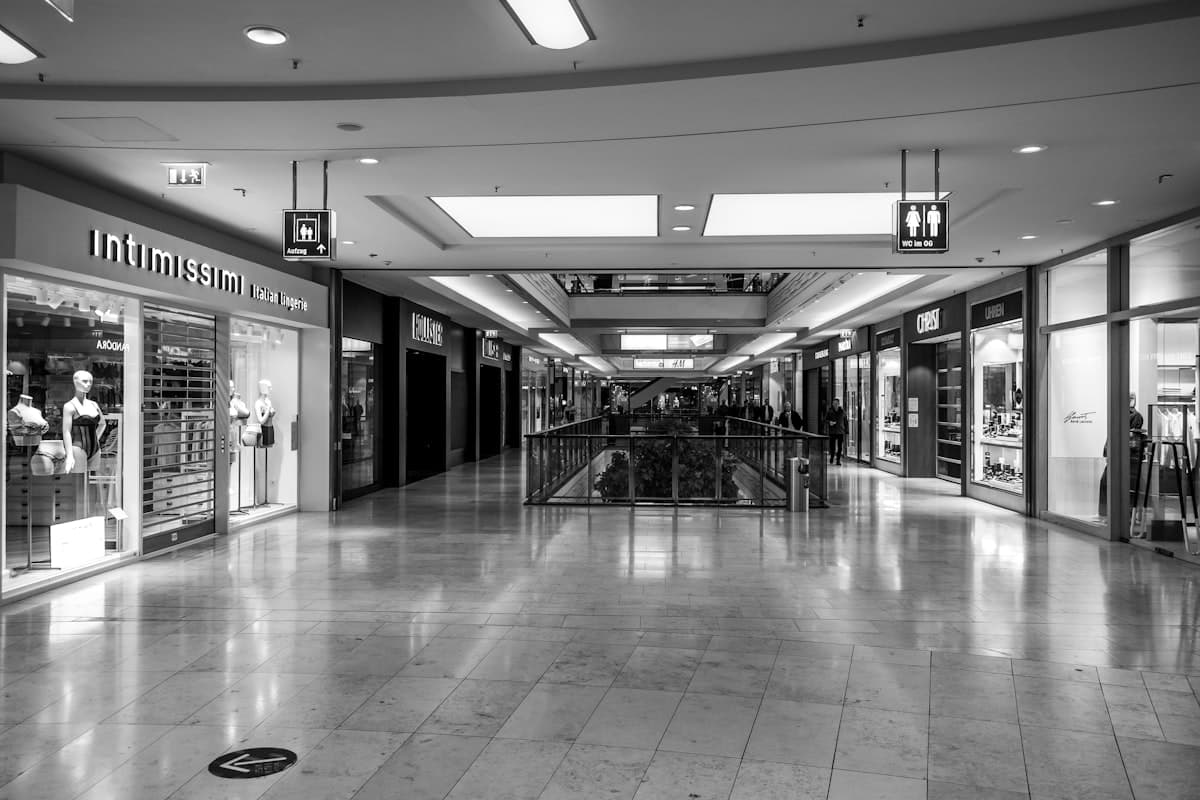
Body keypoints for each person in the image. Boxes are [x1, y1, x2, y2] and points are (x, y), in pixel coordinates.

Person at [825, 397, 847, 465]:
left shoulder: (842, 411)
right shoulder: (829, 411)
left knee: (840, 447)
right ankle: (832, 457)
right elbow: (825, 420)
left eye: (836, 403)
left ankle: (838, 460)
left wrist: (846, 431)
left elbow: (846, 421)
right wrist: (829, 422)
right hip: (832, 431)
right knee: (832, 446)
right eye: (834, 403)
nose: (835, 405)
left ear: (838, 404)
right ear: (832, 404)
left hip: (840, 431)